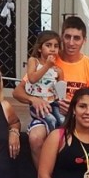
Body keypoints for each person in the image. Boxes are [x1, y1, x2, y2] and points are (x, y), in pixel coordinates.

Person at [14, 16, 89, 170]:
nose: (71, 42)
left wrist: (75, 110)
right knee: (35, 138)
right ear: (62, 37)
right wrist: (33, 99)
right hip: (47, 110)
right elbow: (18, 91)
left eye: (76, 38)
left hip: (78, 119)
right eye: (67, 37)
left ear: (84, 40)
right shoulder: (48, 60)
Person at [22, 31, 64, 165]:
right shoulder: (33, 61)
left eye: (56, 46)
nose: (52, 49)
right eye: (48, 45)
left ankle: (62, 148)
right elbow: (32, 78)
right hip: (37, 104)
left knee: (62, 120)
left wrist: (60, 77)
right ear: (40, 48)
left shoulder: (57, 69)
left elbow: (61, 92)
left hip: (52, 103)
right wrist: (47, 66)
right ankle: (53, 145)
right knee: (51, 119)